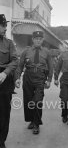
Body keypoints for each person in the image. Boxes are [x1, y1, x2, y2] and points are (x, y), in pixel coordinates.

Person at [15, 31, 53, 135]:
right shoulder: (26, 51)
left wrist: (49, 80)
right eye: (36, 38)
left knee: (37, 101)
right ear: (33, 39)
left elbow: (51, 67)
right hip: (28, 78)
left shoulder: (47, 52)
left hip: (40, 78)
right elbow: (20, 66)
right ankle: (31, 120)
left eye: (40, 39)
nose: (38, 40)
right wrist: (17, 78)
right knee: (28, 101)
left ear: (42, 40)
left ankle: (36, 124)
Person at [0, 14, 18, 148]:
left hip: (4, 81)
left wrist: (5, 73)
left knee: (4, 113)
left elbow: (15, 60)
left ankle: (1, 141)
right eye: (2, 25)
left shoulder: (9, 43)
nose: (5, 28)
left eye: (5, 25)